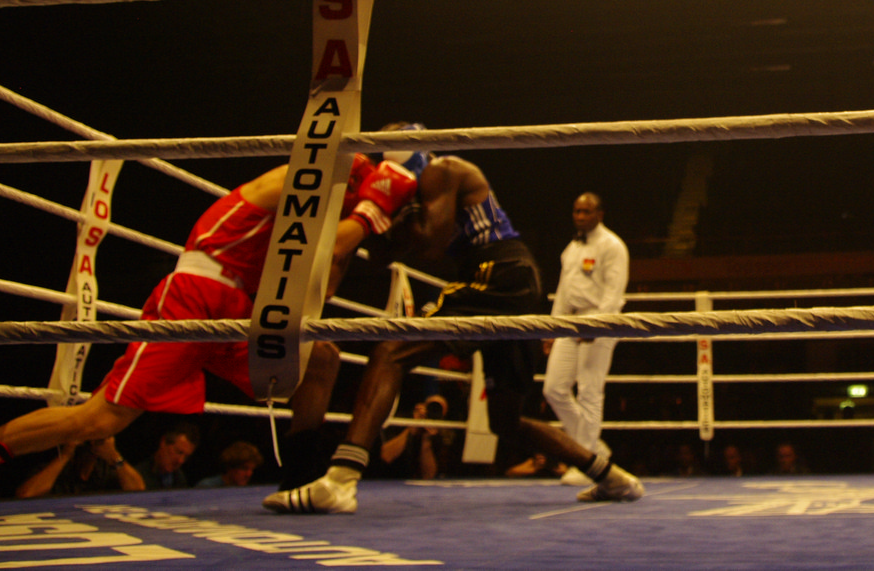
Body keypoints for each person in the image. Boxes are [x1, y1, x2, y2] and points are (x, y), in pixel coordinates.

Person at [0, 155, 417, 489]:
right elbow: (327, 247)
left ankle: (300, 477)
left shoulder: (327, 212)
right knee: (101, 420)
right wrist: (370, 212)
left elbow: (323, 283)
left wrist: (369, 219)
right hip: (195, 296)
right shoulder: (299, 178)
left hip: (237, 309)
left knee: (319, 357)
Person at [263, 155, 645, 514]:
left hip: (497, 272)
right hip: (509, 283)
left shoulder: (443, 170)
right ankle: (613, 477)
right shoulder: (416, 194)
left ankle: (341, 480)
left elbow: (430, 246)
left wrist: (395, 214)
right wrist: (374, 212)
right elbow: (382, 257)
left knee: (392, 351)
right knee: (505, 421)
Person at [542, 192, 629, 486]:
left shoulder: (612, 245)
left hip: (599, 321)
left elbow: (614, 291)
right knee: (554, 389)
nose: (580, 216)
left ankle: (587, 461)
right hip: (570, 322)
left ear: (599, 214)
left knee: (590, 390)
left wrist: (598, 325)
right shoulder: (571, 248)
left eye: (586, 211)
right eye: (577, 211)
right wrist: (551, 330)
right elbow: (563, 291)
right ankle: (594, 449)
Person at [16, 436, 144, 498]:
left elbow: (139, 491)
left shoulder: (106, 469)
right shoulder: (54, 468)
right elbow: (26, 495)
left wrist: (114, 456)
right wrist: (65, 455)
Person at [378, 394, 455, 480]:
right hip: (387, 478)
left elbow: (428, 475)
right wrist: (412, 427)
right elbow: (386, 456)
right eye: (431, 407)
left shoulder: (437, 435)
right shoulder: (401, 421)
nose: (433, 412)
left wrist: (426, 439)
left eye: (438, 410)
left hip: (415, 483)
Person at [136, 423, 199, 490]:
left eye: (186, 457)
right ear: (163, 442)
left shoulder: (179, 479)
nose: (181, 461)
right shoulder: (139, 476)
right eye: (178, 452)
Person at [196, 440, 265, 488]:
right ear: (230, 467)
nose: (249, 474)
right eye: (244, 468)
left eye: (252, 469)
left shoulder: (249, 491)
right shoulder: (207, 487)